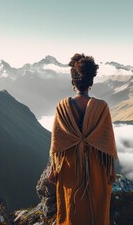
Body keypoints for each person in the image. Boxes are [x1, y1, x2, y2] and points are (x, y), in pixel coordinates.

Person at [49, 53, 118, 225]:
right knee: (96, 208)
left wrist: (54, 169)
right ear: (91, 81)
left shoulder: (62, 107)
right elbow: (107, 142)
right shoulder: (102, 107)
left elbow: (57, 144)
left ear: (73, 81)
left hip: (69, 166)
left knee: (70, 208)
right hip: (96, 165)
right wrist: (110, 170)